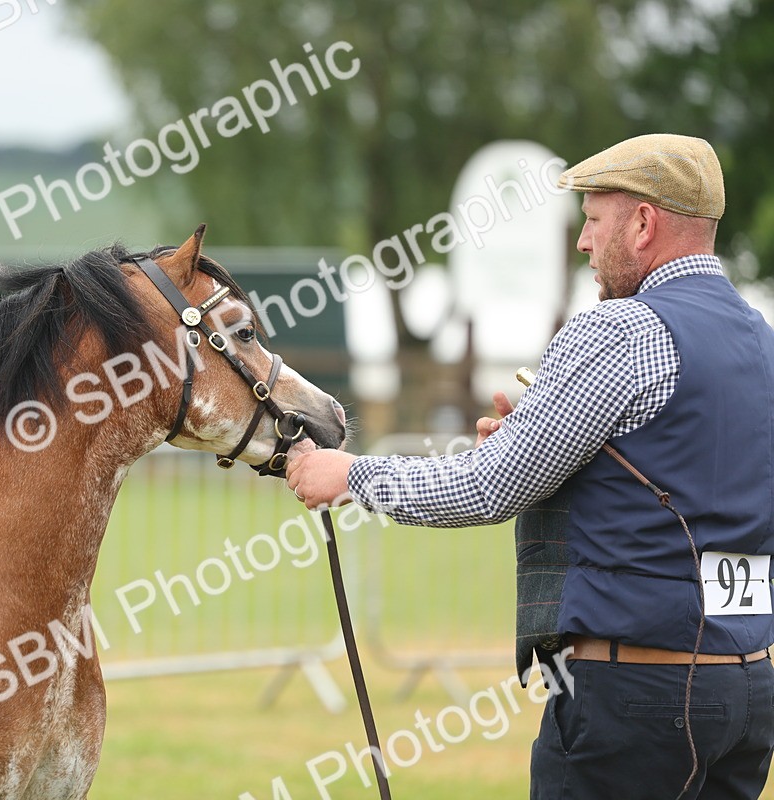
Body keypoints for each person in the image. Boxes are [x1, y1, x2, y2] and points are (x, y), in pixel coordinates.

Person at [286, 133, 774, 799]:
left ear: (642, 223)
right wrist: (547, 446)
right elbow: (691, 473)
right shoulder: (761, 341)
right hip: (747, 687)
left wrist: (350, 476)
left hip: (637, 693)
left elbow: (486, 488)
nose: (582, 243)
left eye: (593, 221)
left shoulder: (620, 330)